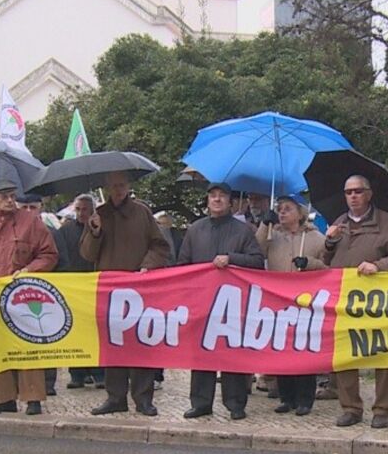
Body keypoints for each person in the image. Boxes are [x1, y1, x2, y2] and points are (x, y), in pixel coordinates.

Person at [0, 178, 58, 415]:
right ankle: (5, 398)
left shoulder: (31, 222)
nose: (9, 200)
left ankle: (33, 397)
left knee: (28, 344)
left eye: (12, 195)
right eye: (3, 196)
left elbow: (48, 254)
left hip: (23, 294)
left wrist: (29, 271)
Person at [323, 174, 388, 429]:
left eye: (358, 191)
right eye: (348, 192)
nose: (353, 196)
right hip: (345, 301)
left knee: (382, 354)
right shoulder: (338, 223)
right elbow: (325, 261)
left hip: (377, 301)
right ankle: (350, 407)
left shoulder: (385, 222)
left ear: (369, 194)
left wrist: (378, 265)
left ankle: (382, 409)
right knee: (345, 354)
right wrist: (329, 243)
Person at [81, 172, 170, 416]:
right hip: (110, 292)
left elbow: (160, 246)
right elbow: (87, 254)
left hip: (140, 290)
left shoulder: (142, 213)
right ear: (108, 188)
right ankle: (115, 397)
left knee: (142, 343)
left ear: (128, 186)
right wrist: (95, 232)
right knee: (113, 344)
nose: (118, 189)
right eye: (114, 186)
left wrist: (147, 266)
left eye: (122, 185)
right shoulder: (99, 214)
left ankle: (143, 398)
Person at [177, 182, 264, 420]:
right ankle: (201, 402)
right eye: (212, 196)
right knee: (202, 352)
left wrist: (232, 259)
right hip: (202, 301)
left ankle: (235, 403)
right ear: (207, 201)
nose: (217, 200)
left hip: (233, 303)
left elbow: (257, 260)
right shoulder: (195, 230)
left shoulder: (243, 230)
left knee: (231, 353)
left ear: (230, 202)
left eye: (222, 196)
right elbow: (182, 264)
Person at [256, 195, 327, 416]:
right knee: (282, 348)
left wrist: (310, 264)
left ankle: (305, 398)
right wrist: (263, 224)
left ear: (300, 213)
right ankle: (286, 396)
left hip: (306, 302)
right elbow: (257, 250)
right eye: (279, 209)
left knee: (303, 350)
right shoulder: (272, 235)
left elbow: (328, 265)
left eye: (287, 209)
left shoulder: (315, 238)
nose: (282, 212)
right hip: (279, 302)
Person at [16, 192, 67, 396]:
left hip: (47, 294)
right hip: (19, 296)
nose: (28, 212)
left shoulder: (53, 233)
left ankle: (47, 382)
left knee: (47, 338)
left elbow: (63, 263)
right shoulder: (14, 232)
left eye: (32, 207)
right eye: (24, 208)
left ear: (40, 208)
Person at [59, 194, 104, 390]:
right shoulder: (66, 230)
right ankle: (76, 374)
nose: (81, 213)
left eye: (85, 209)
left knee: (95, 331)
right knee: (74, 331)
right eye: (78, 209)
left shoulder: (100, 229)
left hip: (95, 284)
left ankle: (98, 373)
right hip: (72, 284)